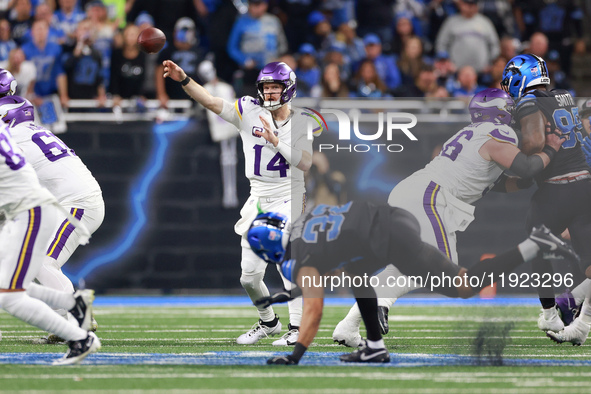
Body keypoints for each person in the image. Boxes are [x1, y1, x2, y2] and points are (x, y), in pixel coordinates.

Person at [331, 88, 566, 346]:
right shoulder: (498, 133)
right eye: (508, 110)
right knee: (445, 273)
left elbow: (503, 183)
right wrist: (552, 150)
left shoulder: (474, 135)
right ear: (499, 113)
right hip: (429, 196)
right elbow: (526, 166)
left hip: (415, 192)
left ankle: (349, 325)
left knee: (411, 265)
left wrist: (534, 177)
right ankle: (379, 304)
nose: (512, 116)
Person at [247, 201, 578, 364]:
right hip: (393, 220)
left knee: (463, 287)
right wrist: (293, 291)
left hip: (386, 237)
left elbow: (314, 311)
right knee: (358, 274)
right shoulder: (305, 222)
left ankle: (534, 245)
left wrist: (296, 356)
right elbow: (333, 256)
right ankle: (375, 348)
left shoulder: (301, 258)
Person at [162, 59, 323, 346]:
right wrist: (184, 79)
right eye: (266, 87)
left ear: (288, 89)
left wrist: (275, 141)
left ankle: (297, 328)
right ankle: (268, 321)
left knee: (286, 256)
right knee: (248, 277)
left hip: (289, 194)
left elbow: (306, 163)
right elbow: (211, 102)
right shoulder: (248, 110)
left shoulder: (301, 122)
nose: (270, 93)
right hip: (258, 197)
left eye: (275, 88)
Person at [500, 53, 591, 344]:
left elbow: (535, 144)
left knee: (534, 246)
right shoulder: (565, 96)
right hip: (584, 186)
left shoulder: (528, 103)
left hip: (556, 189)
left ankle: (551, 312)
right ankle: (582, 324)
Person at [0, 94, 105, 343]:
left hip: (77, 205)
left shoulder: (13, 142)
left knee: (42, 262)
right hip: (66, 203)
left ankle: (77, 317)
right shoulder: (29, 133)